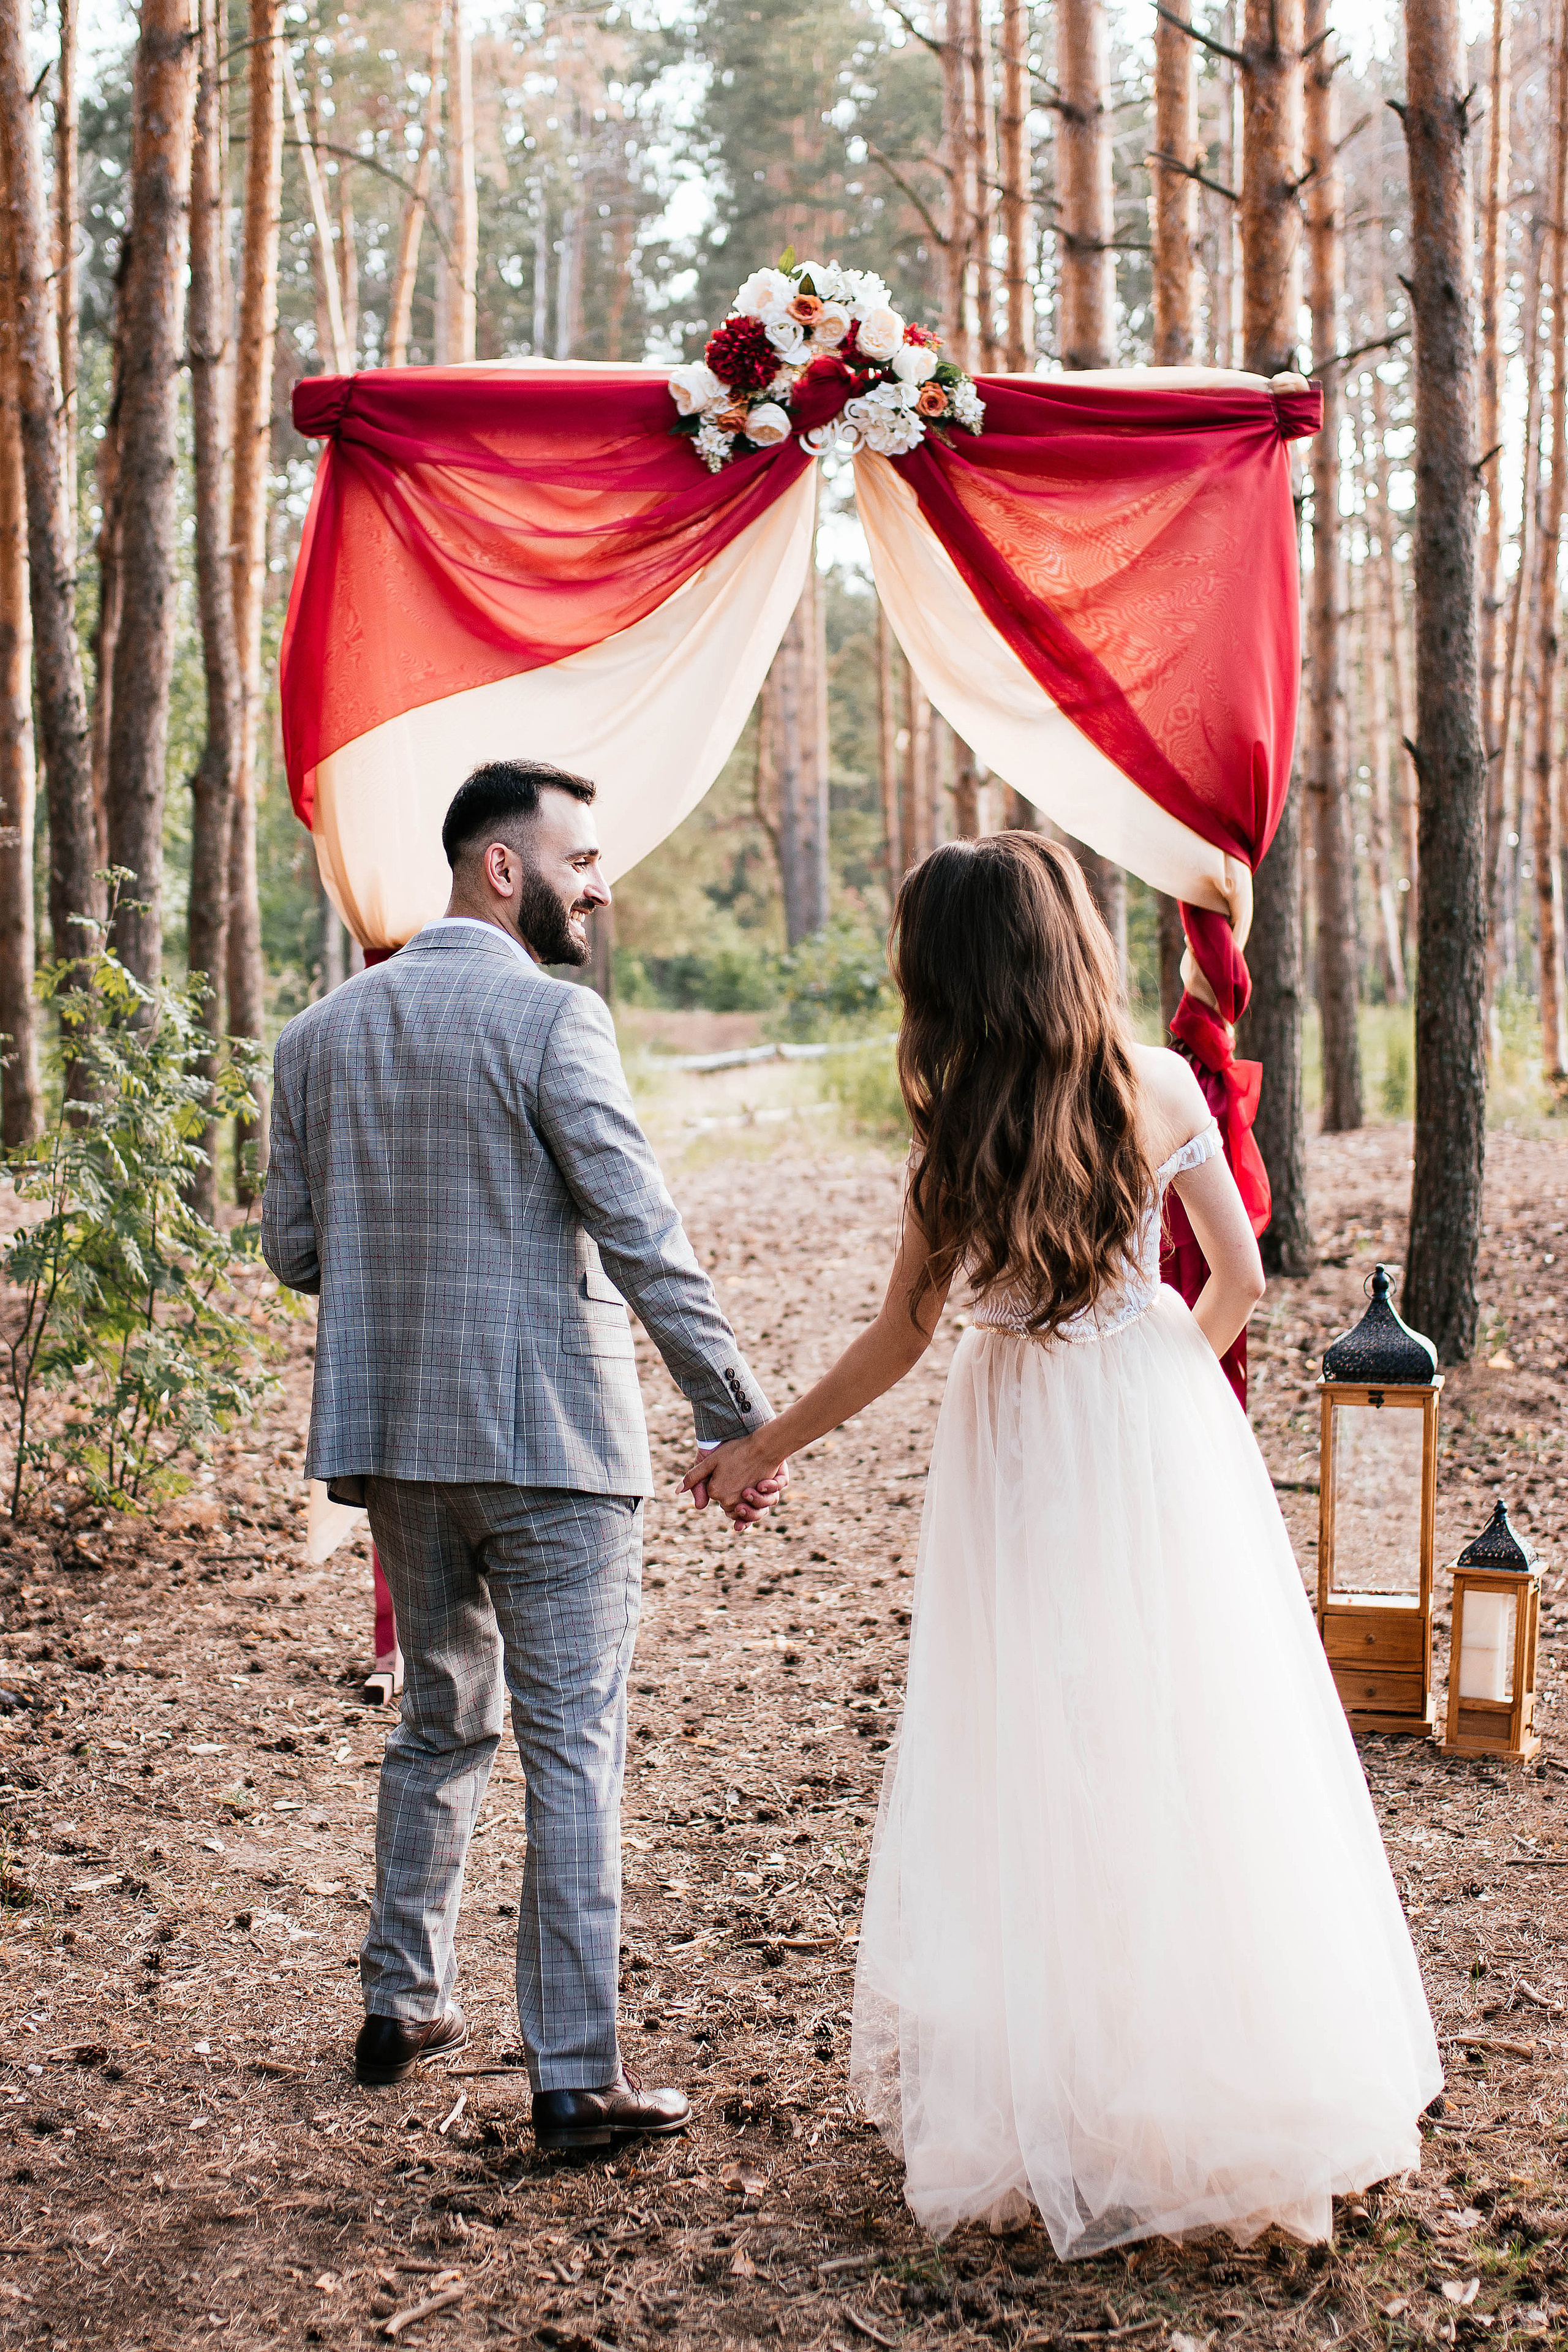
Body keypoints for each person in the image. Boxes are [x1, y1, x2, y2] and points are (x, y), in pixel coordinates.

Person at [690, 834, 1441, 2255]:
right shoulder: (1155, 1086)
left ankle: (1078, 2077)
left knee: (1041, 1733)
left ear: (950, 974)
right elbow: (1239, 1275)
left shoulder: (955, 1127)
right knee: (1185, 1728)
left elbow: (900, 1340)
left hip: (1016, 1440)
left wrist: (760, 1448)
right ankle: (1204, 2059)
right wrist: (1160, 1392)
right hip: (1147, 1429)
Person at [262, 757, 783, 2154]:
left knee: (437, 1717)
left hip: (398, 1448)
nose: (600, 883)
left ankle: (401, 1999)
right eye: (584, 857)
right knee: (573, 1749)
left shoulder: (315, 1038)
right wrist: (732, 1410)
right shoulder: (556, 1021)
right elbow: (640, 1231)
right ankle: (572, 2078)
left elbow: (295, 1252)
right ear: (505, 866)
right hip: (552, 1445)